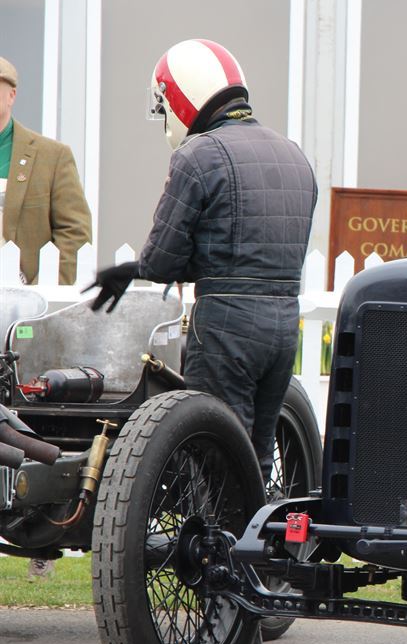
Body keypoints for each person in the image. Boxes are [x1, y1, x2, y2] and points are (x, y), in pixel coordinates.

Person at [85, 39, 317, 482]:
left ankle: (218, 551)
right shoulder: (295, 156)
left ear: (180, 96)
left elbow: (161, 261)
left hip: (228, 325)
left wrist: (131, 269)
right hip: (285, 322)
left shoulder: (198, 155)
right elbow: (257, 248)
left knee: (213, 457)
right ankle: (256, 547)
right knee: (257, 454)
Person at [0, 56, 91, 285]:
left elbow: (74, 231)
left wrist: (44, 292)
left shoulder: (52, 157)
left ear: (12, 95)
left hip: (25, 306)